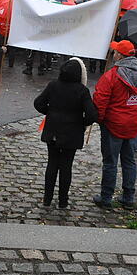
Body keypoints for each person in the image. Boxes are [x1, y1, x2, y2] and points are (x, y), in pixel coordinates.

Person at [92, 40, 137, 209]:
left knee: (110, 162)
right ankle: (128, 198)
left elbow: (100, 101)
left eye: (115, 52)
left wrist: (100, 119)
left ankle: (106, 198)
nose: (113, 54)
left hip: (113, 126)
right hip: (134, 125)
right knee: (129, 162)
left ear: (120, 55)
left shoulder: (111, 76)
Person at [34, 57, 97, 208]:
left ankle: (47, 199)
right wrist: (81, 123)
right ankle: (63, 201)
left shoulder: (53, 85)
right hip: (72, 134)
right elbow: (92, 115)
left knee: (52, 164)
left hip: (53, 131)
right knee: (66, 167)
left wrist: (50, 113)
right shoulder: (82, 90)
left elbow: (38, 103)